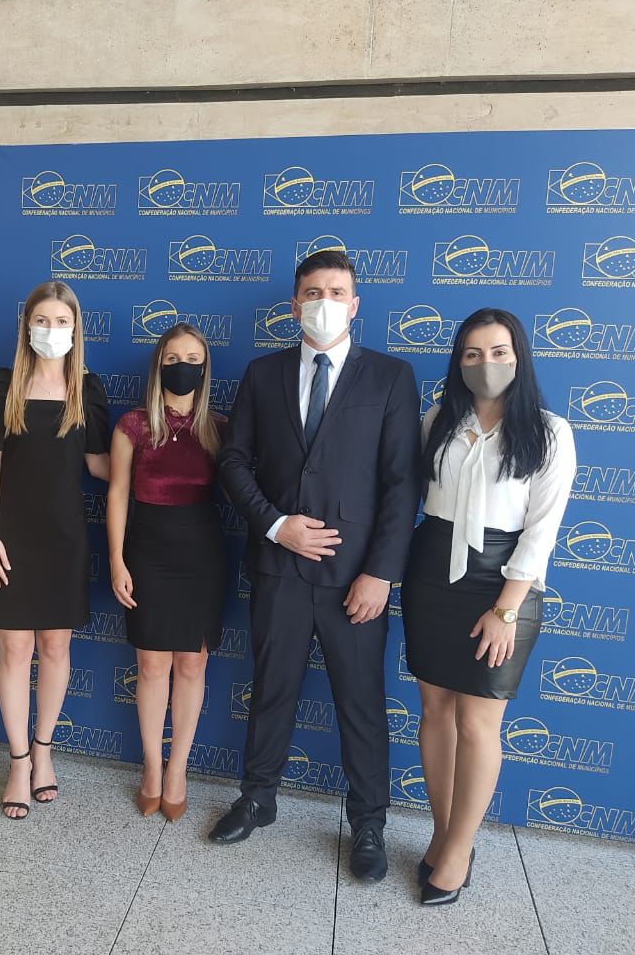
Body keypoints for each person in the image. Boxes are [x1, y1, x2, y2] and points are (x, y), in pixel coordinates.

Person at [210, 249, 421, 882]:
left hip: (356, 580)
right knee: (271, 689)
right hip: (278, 568)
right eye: (311, 292)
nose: (322, 302)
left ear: (354, 306)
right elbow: (233, 462)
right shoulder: (262, 373)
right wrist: (277, 525)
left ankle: (369, 822)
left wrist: (380, 573)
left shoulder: (391, 377)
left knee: (361, 703)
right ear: (294, 304)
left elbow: (402, 484)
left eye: (335, 292)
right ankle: (258, 798)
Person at [401, 308, 576, 904]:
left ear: (519, 356)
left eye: (499, 352)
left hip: (503, 583)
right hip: (432, 574)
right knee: (434, 712)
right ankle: (443, 833)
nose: (486, 363)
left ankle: (458, 850)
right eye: (472, 354)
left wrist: (505, 610)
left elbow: (542, 531)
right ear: (458, 362)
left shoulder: (550, 432)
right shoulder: (437, 421)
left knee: (477, 724)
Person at [0, 281, 111, 820]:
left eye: (61, 322)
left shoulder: (88, 389)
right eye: (42, 320)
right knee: (14, 650)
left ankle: (44, 752)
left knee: (55, 648)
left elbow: (100, 464)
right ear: (26, 326)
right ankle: (17, 761)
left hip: (64, 539)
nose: (51, 331)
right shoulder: (4, 384)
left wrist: (160, 450)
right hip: (10, 536)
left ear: (75, 328)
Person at [106, 323, 227, 822]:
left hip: (202, 557)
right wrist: (116, 559)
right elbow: (117, 493)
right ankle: (152, 769)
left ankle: (179, 771)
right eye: (173, 357)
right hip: (147, 554)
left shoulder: (219, 428)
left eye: (193, 358)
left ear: (205, 366)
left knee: (193, 665)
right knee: (152, 666)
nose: (183, 366)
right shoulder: (132, 426)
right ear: (159, 364)